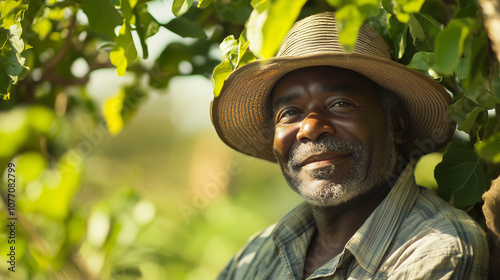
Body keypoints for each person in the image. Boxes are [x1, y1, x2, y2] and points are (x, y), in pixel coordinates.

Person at [211, 12, 489, 279]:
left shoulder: (437, 247)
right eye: (289, 114)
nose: (310, 128)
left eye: (340, 104)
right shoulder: (255, 255)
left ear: (397, 126)